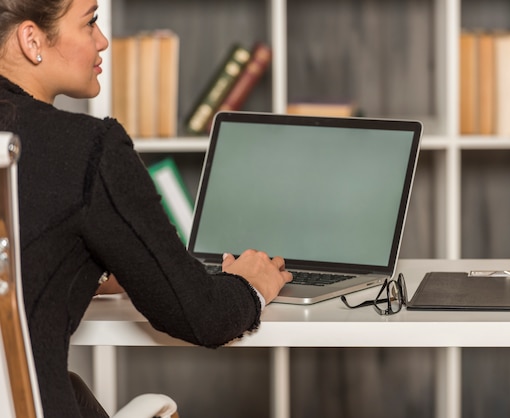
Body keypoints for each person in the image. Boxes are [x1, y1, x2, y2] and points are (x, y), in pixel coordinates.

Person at [0, 0, 292, 417]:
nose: (102, 41)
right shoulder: (85, 150)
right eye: (90, 23)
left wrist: (87, 270)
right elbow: (201, 315)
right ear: (32, 40)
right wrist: (252, 286)